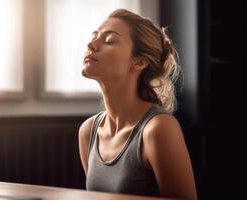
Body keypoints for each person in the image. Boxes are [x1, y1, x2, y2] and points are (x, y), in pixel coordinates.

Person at [78, 9, 197, 200]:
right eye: (94, 36)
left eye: (109, 40)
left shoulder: (158, 129)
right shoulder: (88, 131)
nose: (91, 44)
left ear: (139, 62)